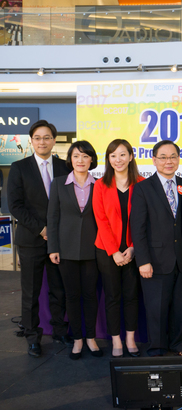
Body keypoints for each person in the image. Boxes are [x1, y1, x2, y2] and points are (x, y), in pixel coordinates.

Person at [7, 119, 71, 357]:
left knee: (59, 289)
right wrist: (42, 229)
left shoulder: (65, 167)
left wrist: (55, 232)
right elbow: (15, 205)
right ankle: (33, 336)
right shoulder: (19, 167)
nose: (42, 141)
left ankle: (59, 330)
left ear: (54, 140)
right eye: (37, 138)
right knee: (31, 291)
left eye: (47, 137)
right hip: (31, 239)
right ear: (31, 141)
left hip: (59, 241)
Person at [130, 140, 182, 357]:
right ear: (154, 159)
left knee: (180, 307)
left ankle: (177, 344)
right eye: (163, 157)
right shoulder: (142, 189)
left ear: (178, 159)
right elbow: (137, 229)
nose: (169, 161)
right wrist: (143, 261)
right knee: (156, 308)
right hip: (154, 260)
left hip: (181, 259)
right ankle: (156, 347)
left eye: (173, 156)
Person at [47, 140, 101, 360]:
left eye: (85, 156)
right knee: (71, 295)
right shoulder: (59, 183)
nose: (80, 160)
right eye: (76, 156)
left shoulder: (100, 185)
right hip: (66, 250)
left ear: (91, 160)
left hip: (93, 250)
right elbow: (52, 217)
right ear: (70, 159)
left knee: (90, 295)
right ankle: (77, 338)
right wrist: (53, 248)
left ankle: (90, 337)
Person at [93, 139, 144, 358]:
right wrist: (114, 251)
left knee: (132, 295)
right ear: (108, 159)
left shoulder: (142, 183)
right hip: (106, 250)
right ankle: (116, 341)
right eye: (113, 155)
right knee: (112, 296)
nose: (118, 160)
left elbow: (144, 221)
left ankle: (130, 338)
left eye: (122, 155)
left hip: (135, 249)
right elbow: (101, 220)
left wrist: (133, 248)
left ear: (131, 157)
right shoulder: (100, 185)